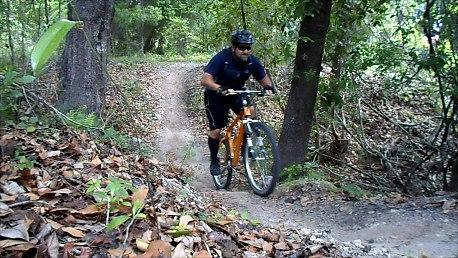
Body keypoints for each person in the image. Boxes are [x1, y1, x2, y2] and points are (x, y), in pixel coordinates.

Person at [201, 29, 275, 176]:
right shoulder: (222, 58)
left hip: (237, 93)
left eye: (248, 48)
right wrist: (219, 88)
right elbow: (205, 80)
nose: (245, 51)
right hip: (217, 94)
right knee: (216, 130)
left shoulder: (252, 61)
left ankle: (246, 144)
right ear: (234, 47)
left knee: (251, 112)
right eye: (241, 48)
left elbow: (264, 78)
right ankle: (214, 160)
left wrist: (268, 87)